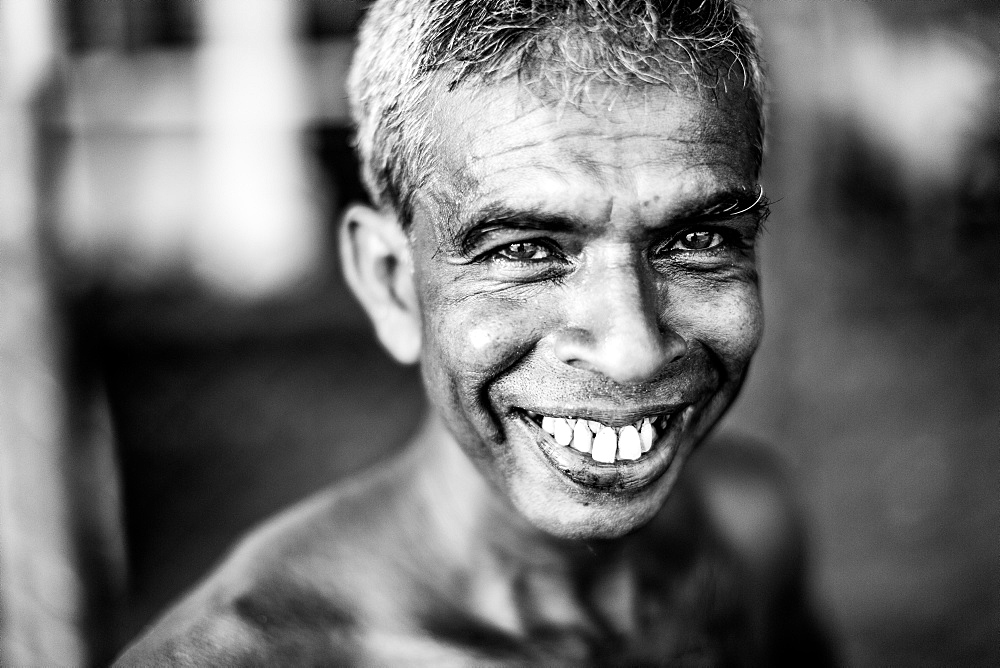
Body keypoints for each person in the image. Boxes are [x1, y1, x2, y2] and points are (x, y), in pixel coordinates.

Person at [117, 0, 835, 664]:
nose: (632, 351)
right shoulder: (251, 656)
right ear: (392, 285)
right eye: (525, 250)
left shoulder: (746, 531)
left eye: (698, 238)